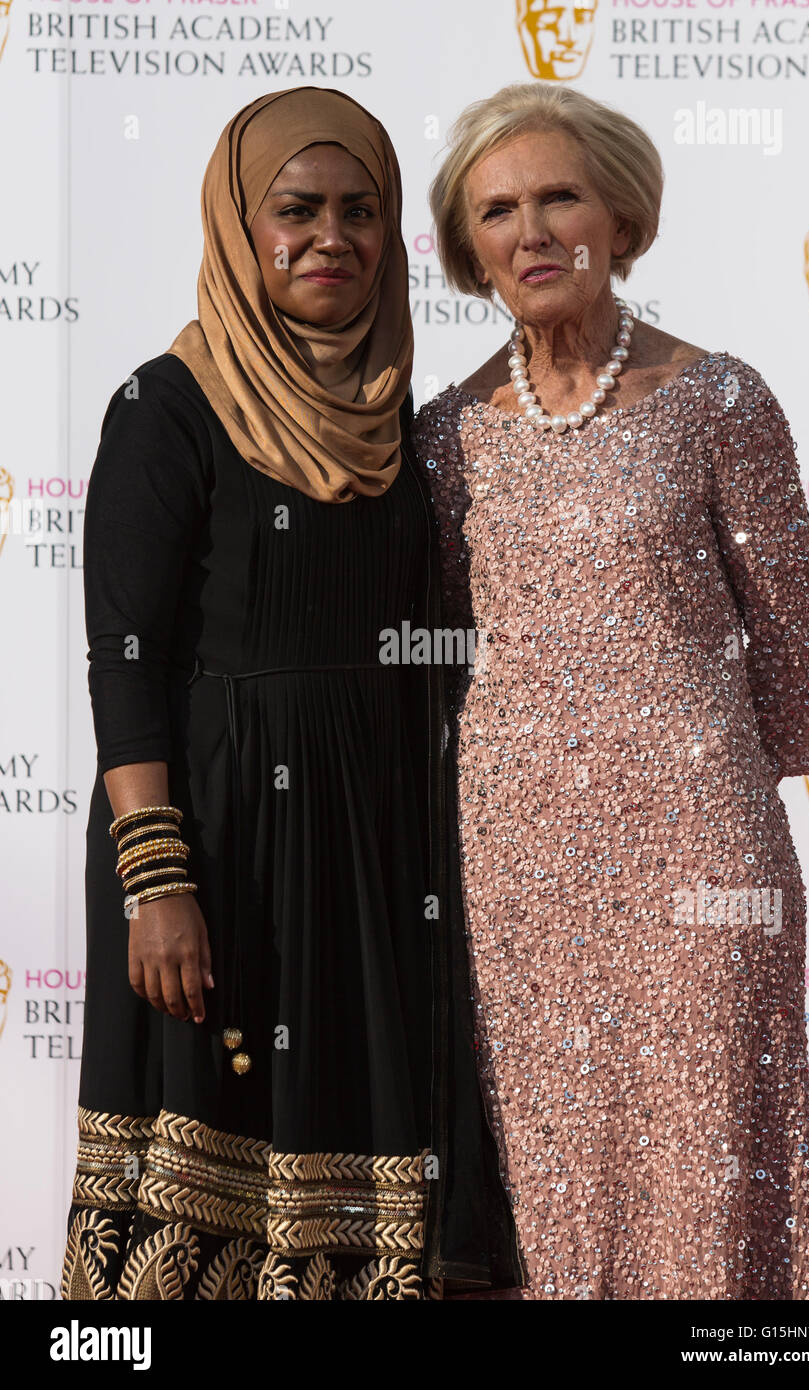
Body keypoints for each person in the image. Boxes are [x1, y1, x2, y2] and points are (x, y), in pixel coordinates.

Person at [60, 86, 524, 1302]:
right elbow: (125, 659)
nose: (332, 238)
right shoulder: (167, 410)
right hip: (221, 845)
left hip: (374, 853)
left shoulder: (410, 434)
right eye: (297, 210)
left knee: (367, 1173)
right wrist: (156, 881)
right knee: (204, 1185)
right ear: (236, 225)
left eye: (360, 212)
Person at [412, 81, 809, 1300]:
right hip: (515, 863)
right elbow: (436, 646)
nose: (530, 231)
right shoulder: (444, 436)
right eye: (497, 210)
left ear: (622, 220)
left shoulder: (720, 398)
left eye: (558, 197)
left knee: (710, 1159)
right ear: (466, 250)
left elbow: (792, 634)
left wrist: (696, 765)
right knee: (545, 1173)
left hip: (699, 850)